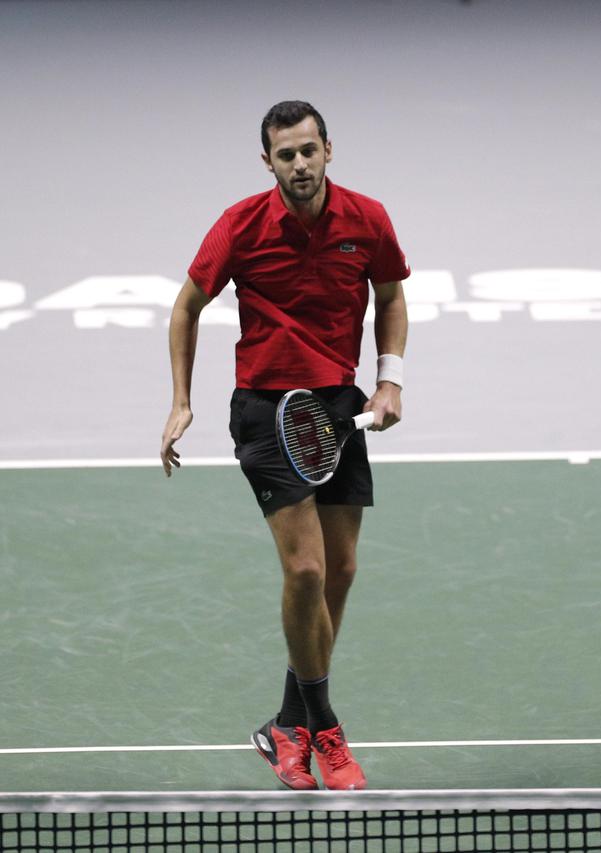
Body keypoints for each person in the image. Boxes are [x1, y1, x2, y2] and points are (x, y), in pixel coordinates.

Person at [160, 101, 410, 789]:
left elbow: (390, 298)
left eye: (308, 150)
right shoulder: (240, 226)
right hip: (268, 407)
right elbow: (186, 306)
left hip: (337, 403)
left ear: (329, 149)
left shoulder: (368, 220)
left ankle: (284, 723)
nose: (298, 164)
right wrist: (182, 400)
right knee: (305, 571)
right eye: (285, 154)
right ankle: (326, 728)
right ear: (267, 161)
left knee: (339, 573)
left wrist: (389, 382)